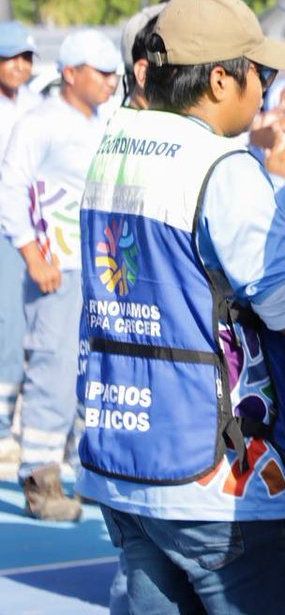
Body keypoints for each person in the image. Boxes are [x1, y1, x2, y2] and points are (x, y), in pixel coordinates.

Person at [74, 0, 285, 613]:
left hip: (127, 460)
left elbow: (191, 270)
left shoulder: (116, 148)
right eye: (260, 73)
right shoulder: (222, 165)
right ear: (220, 79)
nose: (267, 88)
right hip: (219, 479)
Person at [0, 29, 121, 520]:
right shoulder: (41, 122)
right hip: (57, 267)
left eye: (115, 73)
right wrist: (34, 257)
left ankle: (87, 469)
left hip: (101, 271)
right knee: (52, 369)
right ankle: (41, 479)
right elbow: (11, 189)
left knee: (92, 372)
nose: (111, 82)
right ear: (70, 73)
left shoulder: (107, 121)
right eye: (101, 72)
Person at [0, 21, 39, 464]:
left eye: (27, 58)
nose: (20, 66)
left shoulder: (37, 106)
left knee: (23, 325)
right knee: (8, 323)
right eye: (11, 57)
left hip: (29, 228)